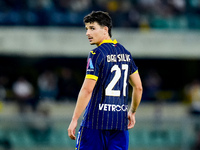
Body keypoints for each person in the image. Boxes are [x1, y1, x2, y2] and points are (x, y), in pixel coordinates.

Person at [68, 11, 143, 150]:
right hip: (119, 124)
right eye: (86, 29)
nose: (87, 33)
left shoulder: (97, 54)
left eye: (92, 28)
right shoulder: (126, 53)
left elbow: (87, 90)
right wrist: (132, 111)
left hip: (95, 123)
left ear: (105, 29)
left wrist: (74, 119)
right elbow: (138, 87)